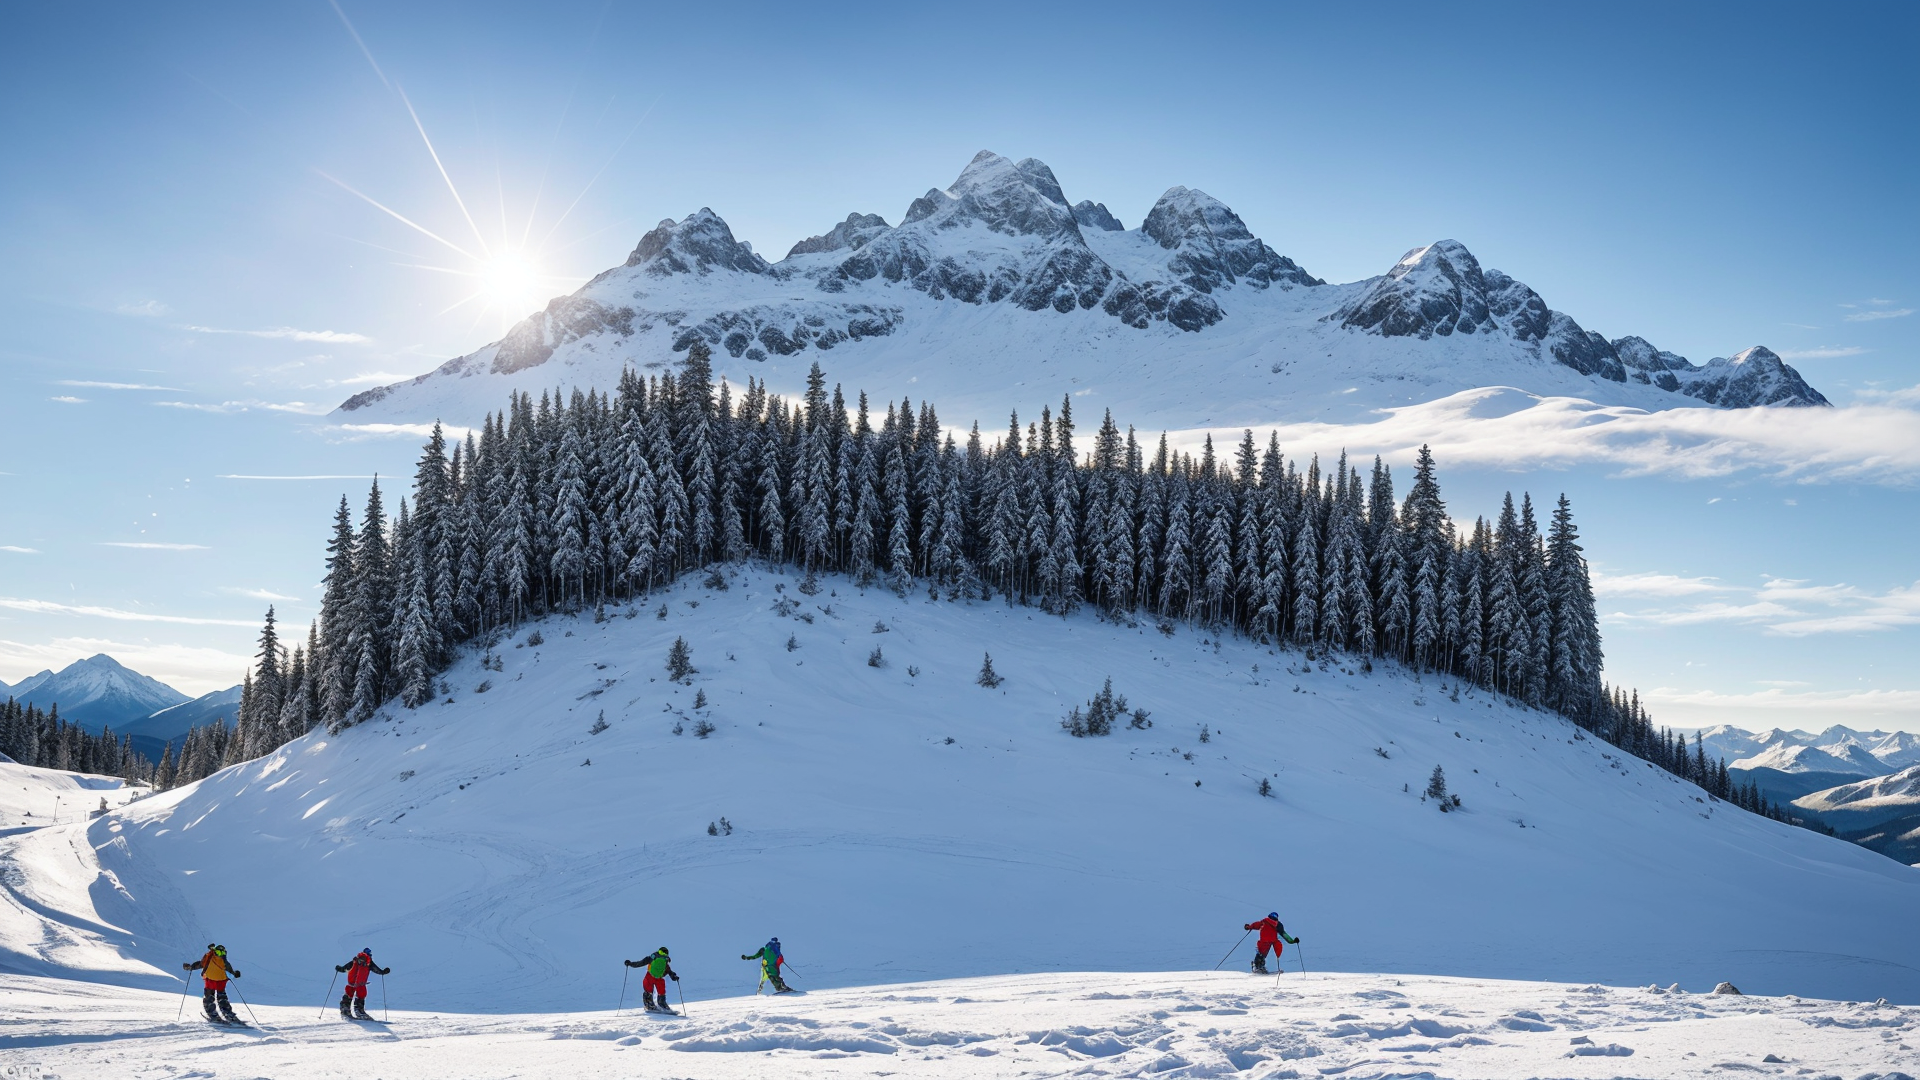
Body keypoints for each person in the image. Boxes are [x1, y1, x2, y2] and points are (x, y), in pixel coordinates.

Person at [183, 943, 241, 1022]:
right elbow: (229, 970)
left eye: (222, 953)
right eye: (220, 952)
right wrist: (235, 974)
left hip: (211, 979)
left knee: (209, 996)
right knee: (222, 996)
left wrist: (190, 967)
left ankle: (212, 1012)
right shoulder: (224, 960)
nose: (220, 955)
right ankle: (227, 1011)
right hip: (221, 980)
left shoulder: (210, 957)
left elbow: (201, 964)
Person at [335, 947, 391, 1019]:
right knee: (361, 995)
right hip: (360, 984)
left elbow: (344, 969)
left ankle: (345, 1009)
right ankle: (359, 1011)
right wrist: (384, 972)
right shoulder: (369, 963)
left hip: (351, 983)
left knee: (349, 994)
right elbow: (378, 971)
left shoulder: (355, 961)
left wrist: (339, 968)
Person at [623, 946, 679, 1013]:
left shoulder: (652, 958)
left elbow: (640, 963)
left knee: (649, 991)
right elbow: (669, 971)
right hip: (657, 978)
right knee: (660, 993)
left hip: (650, 977)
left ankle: (651, 1005)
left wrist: (630, 964)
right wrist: (673, 976)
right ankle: (662, 1005)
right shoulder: (664, 961)